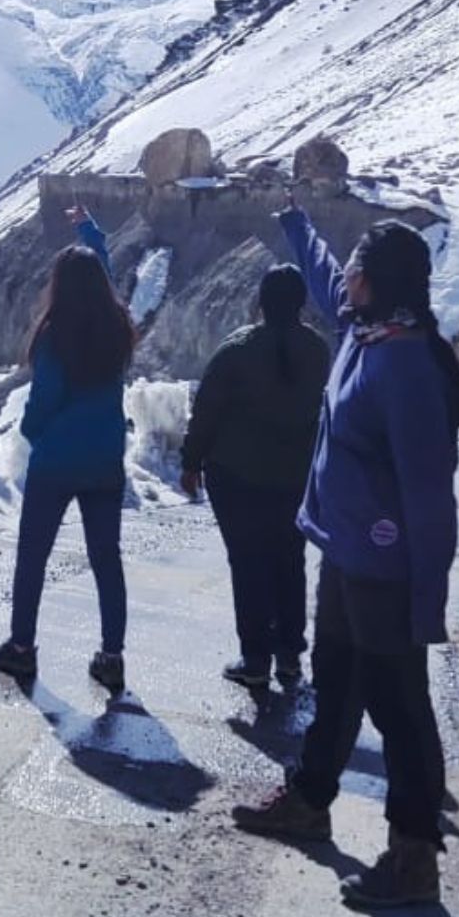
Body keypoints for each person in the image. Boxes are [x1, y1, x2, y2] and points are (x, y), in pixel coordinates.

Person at [231, 206, 459, 909]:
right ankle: (310, 798)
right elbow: (325, 273)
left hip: (387, 571)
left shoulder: (406, 368)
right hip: (344, 554)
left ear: (380, 283)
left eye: (361, 269)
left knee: (400, 706)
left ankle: (414, 855)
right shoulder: (367, 330)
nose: (350, 278)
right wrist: (294, 219)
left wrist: (427, 599)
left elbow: (429, 497)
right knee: (335, 681)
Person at [0, 208, 135, 691]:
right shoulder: (117, 326)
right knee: (106, 559)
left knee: (34, 555)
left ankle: (22, 648)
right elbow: (102, 278)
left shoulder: (55, 335)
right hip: (105, 460)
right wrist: (91, 233)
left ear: (59, 286)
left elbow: (44, 397)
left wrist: (31, 430)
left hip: (56, 462)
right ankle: (112, 656)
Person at [180, 265, 329, 689]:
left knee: (248, 565)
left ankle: (255, 657)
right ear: (302, 303)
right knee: (289, 562)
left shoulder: (237, 350)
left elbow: (206, 411)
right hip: (295, 479)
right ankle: (289, 655)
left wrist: (191, 462)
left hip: (237, 477)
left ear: (260, 302)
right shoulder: (317, 350)